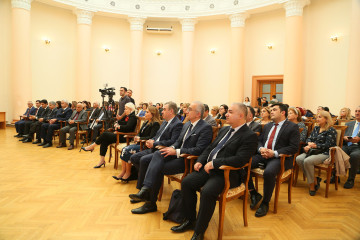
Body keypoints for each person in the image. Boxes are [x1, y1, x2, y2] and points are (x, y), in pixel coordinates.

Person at [170, 103, 257, 240]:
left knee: (207, 191)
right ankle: (190, 220)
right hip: (208, 169)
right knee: (187, 182)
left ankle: (199, 231)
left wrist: (215, 163)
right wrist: (200, 160)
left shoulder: (249, 135)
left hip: (227, 174)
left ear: (241, 115)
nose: (226, 114)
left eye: (230, 112)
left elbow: (240, 160)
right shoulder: (224, 130)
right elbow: (210, 148)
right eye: (227, 111)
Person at [129, 101, 213, 214]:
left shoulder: (205, 127)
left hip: (187, 160)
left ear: (198, 114)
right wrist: (171, 148)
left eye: (190, 109)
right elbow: (178, 142)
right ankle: (146, 190)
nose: (186, 111)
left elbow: (199, 150)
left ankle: (149, 200)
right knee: (158, 154)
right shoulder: (187, 124)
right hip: (176, 155)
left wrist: (176, 151)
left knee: (157, 167)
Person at [248, 103, 300, 217]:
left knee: (269, 172)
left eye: (274, 110)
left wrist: (274, 153)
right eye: (271, 110)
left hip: (279, 158)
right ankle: (253, 193)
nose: (271, 111)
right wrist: (261, 149)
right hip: (263, 154)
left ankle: (265, 203)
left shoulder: (292, 127)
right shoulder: (267, 126)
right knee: (243, 164)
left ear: (283, 113)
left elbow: (294, 147)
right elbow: (259, 141)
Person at [129, 101, 183, 198]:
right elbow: (157, 136)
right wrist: (151, 140)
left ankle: (143, 190)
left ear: (171, 111)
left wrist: (155, 143)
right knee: (134, 158)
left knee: (144, 160)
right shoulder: (164, 122)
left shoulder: (177, 124)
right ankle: (144, 187)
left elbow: (172, 142)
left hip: (161, 150)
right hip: (154, 148)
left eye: (164, 109)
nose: (161, 112)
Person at [113, 106, 161, 182]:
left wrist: (140, 139)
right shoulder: (146, 122)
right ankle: (123, 171)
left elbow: (152, 137)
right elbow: (139, 133)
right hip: (140, 144)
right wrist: (137, 137)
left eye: (147, 112)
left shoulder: (155, 124)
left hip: (146, 146)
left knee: (127, 150)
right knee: (124, 149)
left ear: (153, 114)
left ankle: (128, 173)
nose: (145, 113)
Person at [82, 102, 137, 168]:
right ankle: (101, 160)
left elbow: (128, 128)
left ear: (130, 109)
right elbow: (122, 122)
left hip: (125, 137)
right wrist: (117, 123)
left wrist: (119, 127)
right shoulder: (128, 115)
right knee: (104, 141)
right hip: (120, 134)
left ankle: (92, 146)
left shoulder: (133, 117)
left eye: (126, 109)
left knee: (105, 134)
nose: (124, 111)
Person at [296, 111, 337, 195]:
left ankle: (312, 186)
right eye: (317, 117)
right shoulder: (316, 128)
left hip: (324, 152)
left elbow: (328, 145)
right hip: (313, 151)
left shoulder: (331, 130)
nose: (317, 119)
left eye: (320, 117)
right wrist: (309, 144)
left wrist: (315, 146)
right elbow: (308, 139)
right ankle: (314, 180)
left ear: (326, 119)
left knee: (308, 161)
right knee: (299, 159)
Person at [342, 106, 360, 189]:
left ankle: (350, 179)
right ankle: (334, 176)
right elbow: (342, 136)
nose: (357, 113)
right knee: (337, 151)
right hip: (347, 145)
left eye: (359, 111)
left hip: (358, 147)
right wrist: (344, 137)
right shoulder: (348, 124)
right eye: (356, 111)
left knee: (355, 156)